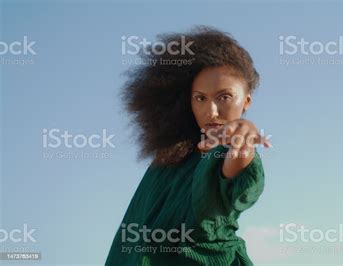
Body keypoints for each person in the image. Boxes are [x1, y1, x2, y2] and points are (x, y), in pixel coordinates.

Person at [105, 26, 270, 266]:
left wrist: (242, 139)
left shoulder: (225, 154)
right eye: (200, 98)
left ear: (246, 101)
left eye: (224, 97)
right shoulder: (167, 160)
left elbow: (238, 164)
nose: (211, 111)